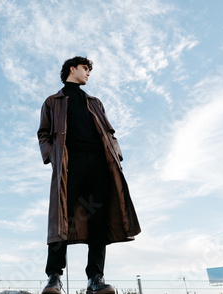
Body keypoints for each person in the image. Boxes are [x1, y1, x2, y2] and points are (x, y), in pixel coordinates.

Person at [37, 56, 141, 294]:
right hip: (68, 165)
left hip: (99, 165)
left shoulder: (94, 102)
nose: (88, 73)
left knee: (98, 221)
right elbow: (43, 133)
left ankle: (95, 278)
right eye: (85, 69)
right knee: (61, 218)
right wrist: (52, 156)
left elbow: (109, 132)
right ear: (72, 69)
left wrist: (117, 153)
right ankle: (54, 277)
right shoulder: (52, 101)